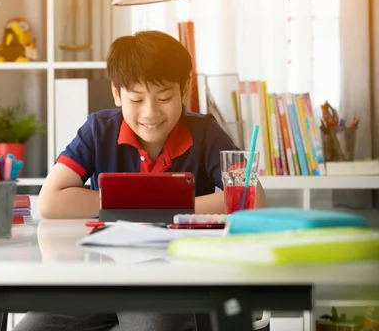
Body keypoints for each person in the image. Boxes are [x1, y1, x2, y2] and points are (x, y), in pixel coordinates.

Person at [14, 30, 268, 331]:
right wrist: (158, 203)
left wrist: (155, 207)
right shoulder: (99, 129)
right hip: (97, 276)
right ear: (117, 94)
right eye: (136, 98)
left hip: (168, 281)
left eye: (164, 97)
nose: (151, 112)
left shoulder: (205, 132)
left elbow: (252, 199)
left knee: (155, 325)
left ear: (184, 91)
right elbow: (51, 201)